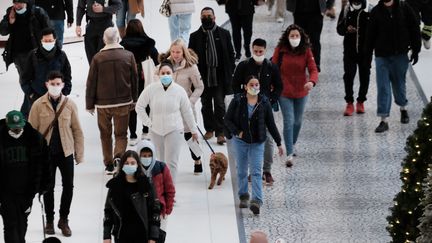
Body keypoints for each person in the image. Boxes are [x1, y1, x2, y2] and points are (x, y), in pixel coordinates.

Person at [28, 71, 84, 237]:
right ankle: (50, 221)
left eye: (58, 84)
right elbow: (31, 133)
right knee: (48, 187)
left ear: (63, 85)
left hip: (65, 152)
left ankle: (64, 219)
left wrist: (79, 154)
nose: (55, 86)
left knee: (68, 186)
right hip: (46, 154)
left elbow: (77, 130)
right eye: (52, 84)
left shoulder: (70, 104)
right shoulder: (38, 105)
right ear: (46, 84)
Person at [225, 76, 283, 215]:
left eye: (257, 84)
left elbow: (271, 123)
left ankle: (256, 200)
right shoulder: (238, 100)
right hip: (240, 142)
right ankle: (244, 195)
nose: (255, 87)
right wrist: (237, 132)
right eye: (252, 84)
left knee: (256, 172)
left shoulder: (264, 102)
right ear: (245, 86)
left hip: (258, 142)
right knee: (242, 170)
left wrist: (279, 142)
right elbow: (227, 119)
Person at [86, 27, 138, 174]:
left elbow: (91, 82)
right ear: (118, 39)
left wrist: (89, 104)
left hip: (103, 104)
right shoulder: (128, 56)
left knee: (105, 134)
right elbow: (135, 80)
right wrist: (134, 99)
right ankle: (119, 156)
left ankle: (108, 163)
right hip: (123, 102)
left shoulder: (97, 58)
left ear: (104, 40)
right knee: (121, 134)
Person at [135, 61, 198, 183]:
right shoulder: (151, 89)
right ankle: (159, 191)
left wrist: (193, 130)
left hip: (174, 130)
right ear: (158, 74)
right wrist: (148, 122)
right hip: (156, 130)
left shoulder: (179, 91)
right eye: (162, 73)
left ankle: (170, 191)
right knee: (159, 162)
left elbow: (187, 111)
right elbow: (139, 106)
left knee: (171, 163)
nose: (165, 75)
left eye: (168, 73)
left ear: (173, 74)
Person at [232, 38, 282, 185]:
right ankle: (253, 171)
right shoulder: (243, 66)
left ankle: (267, 170)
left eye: (261, 51)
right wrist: (241, 99)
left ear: (265, 51)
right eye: (255, 51)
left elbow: (279, 86)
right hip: (246, 108)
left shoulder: (271, 67)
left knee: (268, 139)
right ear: (252, 50)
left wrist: (271, 100)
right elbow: (235, 85)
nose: (258, 53)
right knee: (248, 140)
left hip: (264, 108)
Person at [365, 0, 421, 133]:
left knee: (399, 85)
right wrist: (366, 57)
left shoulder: (404, 8)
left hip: (400, 54)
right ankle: (383, 120)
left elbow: (414, 28)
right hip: (382, 56)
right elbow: (370, 35)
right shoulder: (376, 11)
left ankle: (403, 108)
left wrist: (416, 50)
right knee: (383, 87)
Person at [272, 24, 319, 167]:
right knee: (289, 121)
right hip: (284, 91)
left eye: (296, 36)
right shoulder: (280, 50)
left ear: (301, 37)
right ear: (287, 37)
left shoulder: (306, 51)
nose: (294, 38)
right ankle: (289, 154)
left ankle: (290, 143)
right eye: (292, 36)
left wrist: (311, 81)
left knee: (297, 122)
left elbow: (313, 69)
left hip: (301, 91)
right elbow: (273, 67)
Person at [0, 110, 49, 243]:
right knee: (10, 226)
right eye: (13, 128)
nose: (16, 131)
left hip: (27, 193)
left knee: (22, 226)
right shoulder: (1, 139)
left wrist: (44, 185)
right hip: (6, 193)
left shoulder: (34, 138)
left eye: (19, 128)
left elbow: (44, 163)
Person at [189, 7, 235, 145]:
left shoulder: (224, 33)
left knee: (220, 104)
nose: (207, 17)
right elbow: (191, 57)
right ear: (200, 18)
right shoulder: (194, 36)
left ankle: (220, 132)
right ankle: (209, 129)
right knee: (206, 104)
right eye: (204, 15)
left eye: (209, 15)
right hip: (203, 77)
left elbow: (230, 53)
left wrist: (230, 70)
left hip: (220, 76)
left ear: (214, 17)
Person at [160, 38, 204, 174]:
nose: (175, 54)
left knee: (190, 135)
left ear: (183, 52)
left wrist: (190, 102)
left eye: (178, 52)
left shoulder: (191, 67)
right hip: (169, 108)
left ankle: (197, 159)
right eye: (173, 52)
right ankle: (168, 164)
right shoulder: (165, 65)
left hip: (185, 108)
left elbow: (199, 87)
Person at [0, 0, 50, 118]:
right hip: (19, 55)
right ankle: (27, 114)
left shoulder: (37, 12)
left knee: (35, 82)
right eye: (15, 3)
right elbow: (2, 31)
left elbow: (48, 30)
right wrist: (9, 22)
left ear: (25, 2)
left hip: (35, 53)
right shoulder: (10, 12)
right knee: (27, 82)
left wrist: (49, 50)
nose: (17, 6)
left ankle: (27, 113)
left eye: (20, 3)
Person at [103, 150, 161, 243]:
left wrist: (153, 237)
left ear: (138, 165)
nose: (129, 165)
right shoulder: (115, 185)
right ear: (122, 165)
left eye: (132, 163)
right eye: (126, 163)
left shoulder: (146, 184)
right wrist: (106, 236)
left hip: (142, 235)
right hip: (121, 235)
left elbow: (155, 211)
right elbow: (108, 211)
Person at [120, 19, 159, 145]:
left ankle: (132, 135)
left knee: (132, 105)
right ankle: (145, 131)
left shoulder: (123, 44)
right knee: (146, 104)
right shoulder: (148, 44)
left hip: (128, 78)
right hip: (144, 77)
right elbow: (157, 60)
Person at [21, 27, 72, 117]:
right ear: (41, 40)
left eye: (50, 40)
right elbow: (24, 78)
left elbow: (67, 76)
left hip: (57, 96)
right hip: (37, 96)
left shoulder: (61, 55)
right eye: (46, 41)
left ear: (55, 40)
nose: (48, 43)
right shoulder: (33, 55)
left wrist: (65, 92)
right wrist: (31, 94)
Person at [336, 0, 370, 116]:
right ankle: (349, 102)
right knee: (349, 75)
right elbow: (339, 29)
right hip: (349, 50)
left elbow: (376, 29)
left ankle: (361, 101)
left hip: (365, 51)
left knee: (364, 75)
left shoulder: (369, 10)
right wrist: (347, 29)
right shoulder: (346, 10)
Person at [136, 140, 175, 232]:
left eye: (149, 155)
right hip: (140, 211)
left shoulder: (161, 167)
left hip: (159, 211)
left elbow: (170, 190)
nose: (147, 158)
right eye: (144, 156)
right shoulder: (135, 169)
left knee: (158, 236)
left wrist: (168, 209)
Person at [286, 0, 335, 71]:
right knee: (299, 40)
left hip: (316, 12)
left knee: (315, 40)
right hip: (299, 10)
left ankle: (315, 64)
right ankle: (299, 63)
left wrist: (328, 6)